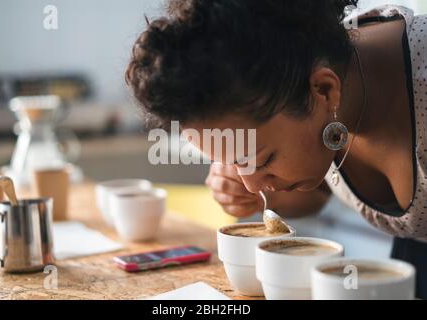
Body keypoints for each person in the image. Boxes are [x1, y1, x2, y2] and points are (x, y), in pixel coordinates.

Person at [126, 0, 427, 298]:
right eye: (233, 162)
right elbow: (323, 189)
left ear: (324, 90)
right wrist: (258, 196)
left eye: (262, 159)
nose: (251, 184)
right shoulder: (316, 72)